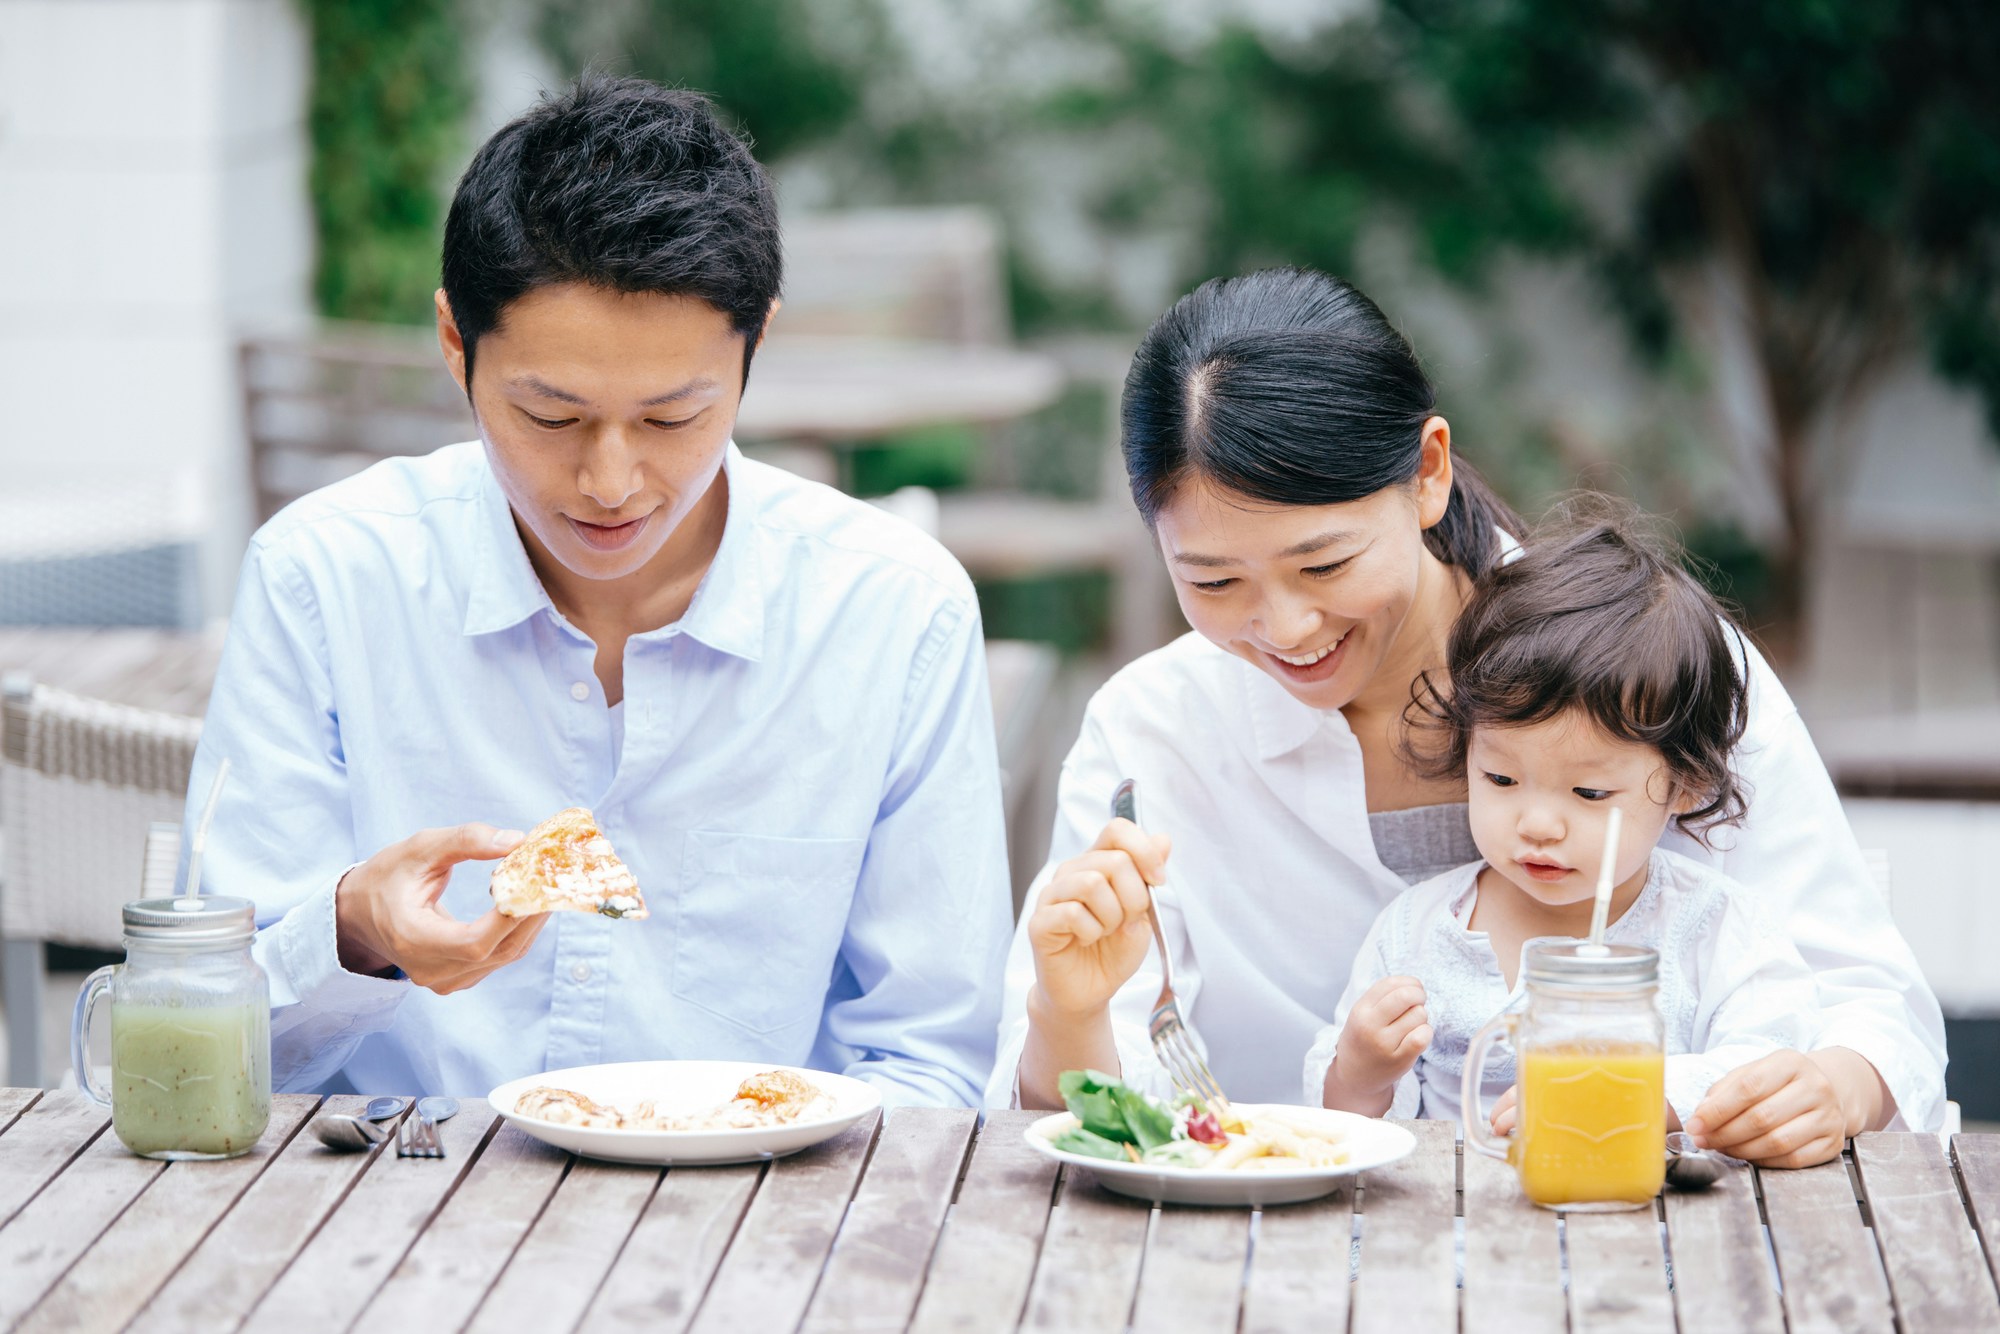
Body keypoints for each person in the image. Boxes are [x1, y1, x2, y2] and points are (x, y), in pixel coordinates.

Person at [989, 267, 1944, 1166]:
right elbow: (1084, 1116)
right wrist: (1065, 1015)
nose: (1283, 627)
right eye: (1212, 579)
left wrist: (1832, 1087)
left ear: (1428, 473)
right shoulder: (1157, 732)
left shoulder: (1654, 667)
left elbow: (1867, 1002)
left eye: (1324, 565)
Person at [183, 76, 1011, 1105]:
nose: (610, 482)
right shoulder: (325, 577)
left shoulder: (892, 611)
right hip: (393, 1211)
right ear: (454, 343)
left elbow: (934, 1058)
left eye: (671, 418)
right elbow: (199, 1039)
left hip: (764, 1223)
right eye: (550, 415)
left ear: (756, 346)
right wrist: (354, 928)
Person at [1311, 510, 1823, 1150]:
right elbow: (1345, 1130)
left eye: (1588, 792)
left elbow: (1771, 1063)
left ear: (1685, 783)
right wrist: (1362, 1071)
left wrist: (1639, 1096)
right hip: (1451, 1232)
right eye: (1500, 779)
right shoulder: (1416, 933)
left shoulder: (1713, 927)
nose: (1538, 824)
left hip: (1646, 1231)